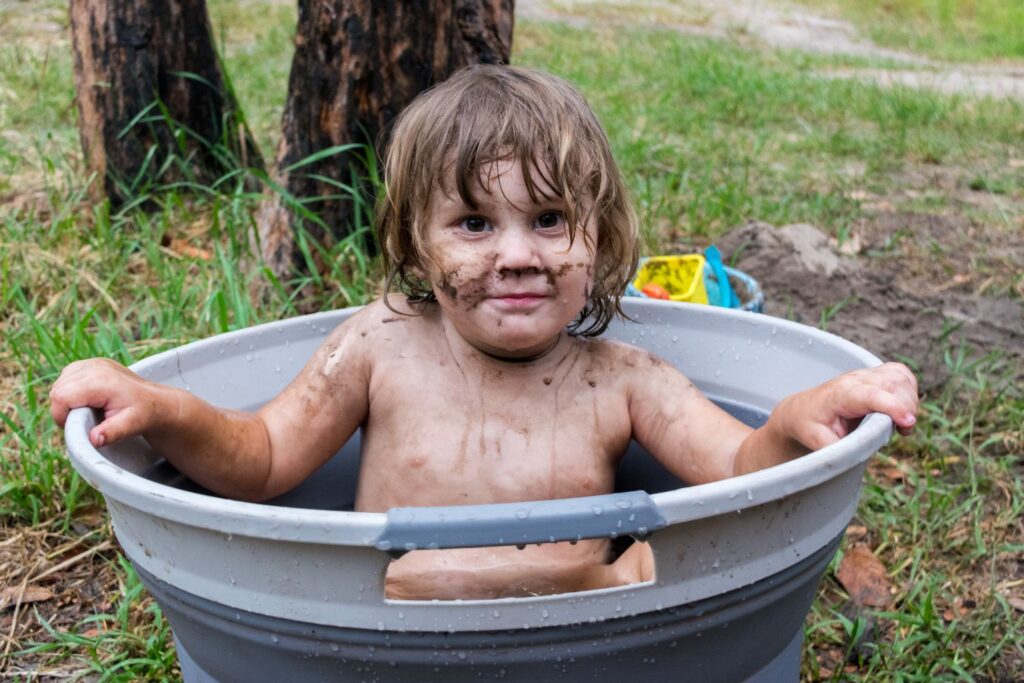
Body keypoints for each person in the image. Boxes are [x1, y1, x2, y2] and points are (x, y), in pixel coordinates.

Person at [50, 65, 918, 601]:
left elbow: (736, 476)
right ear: (416, 247)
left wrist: (796, 417)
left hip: (591, 634)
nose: (516, 255)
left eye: (549, 219)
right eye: (472, 224)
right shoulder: (380, 345)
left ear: (601, 240)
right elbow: (264, 455)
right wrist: (161, 407)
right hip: (390, 633)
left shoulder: (623, 378)